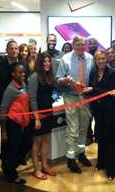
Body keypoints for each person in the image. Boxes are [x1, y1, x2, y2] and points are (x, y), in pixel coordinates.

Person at [56, 36, 94, 174]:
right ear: (73, 45)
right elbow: (58, 79)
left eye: (83, 44)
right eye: (78, 44)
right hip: (71, 97)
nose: (81, 47)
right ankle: (71, 159)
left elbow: (94, 78)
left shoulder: (90, 58)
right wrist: (65, 80)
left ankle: (81, 153)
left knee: (84, 127)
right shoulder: (65, 59)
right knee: (73, 129)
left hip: (85, 98)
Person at [0, 62, 30, 184]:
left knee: (25, 146)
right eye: (19, 72)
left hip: (23, 123)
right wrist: (3, 131)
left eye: (24, 72)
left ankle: (8, 167)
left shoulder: (23, 84)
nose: (23, 74)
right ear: (13, 74)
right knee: (14, 149)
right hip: (13, 123)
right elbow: (3, 109)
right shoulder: (10, 89)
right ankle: (12, 174)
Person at [28, 52, 56, 180]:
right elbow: (32, 98)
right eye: (44, 61)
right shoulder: (34, 77)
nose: (47, 64)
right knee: (37, 142)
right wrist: (37, 118)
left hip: (49, 112)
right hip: (37, 115)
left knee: (46, 140)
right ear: (40, 63)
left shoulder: (49, 76)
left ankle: (44, 165)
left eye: (49, 61)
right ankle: (36, 169)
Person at [89, 50, 115, 180]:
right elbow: (90, 88)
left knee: (110, 139)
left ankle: (111, 169)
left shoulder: (112, 73)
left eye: (103, 58)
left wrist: (93, 90)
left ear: (107, 59)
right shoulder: (93, 72)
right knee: (100, 136)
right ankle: (101, 163)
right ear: (95, 60)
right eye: (98, 59)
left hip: (110, 110)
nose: (101, 61)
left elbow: (110, 91)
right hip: (97, 110)